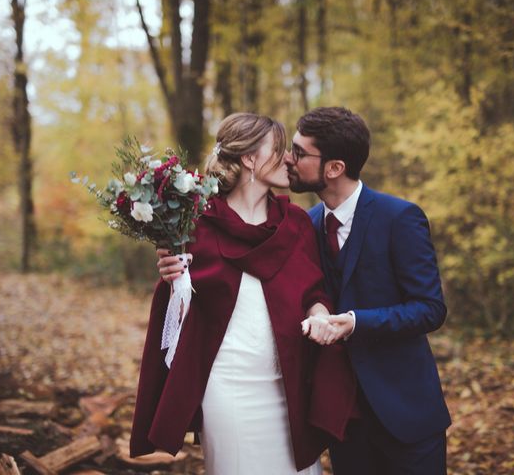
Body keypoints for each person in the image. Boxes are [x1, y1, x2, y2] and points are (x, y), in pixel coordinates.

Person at [129, 113, 356, 475]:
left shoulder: (296, 223)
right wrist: (174, 279)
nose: (289, 159)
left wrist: (318, 314)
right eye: (279, 149)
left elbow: (314, 292)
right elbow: (178, 307)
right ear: (249, 158)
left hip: (289, 383)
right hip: (228, 387)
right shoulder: (196, 222)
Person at [288, 106, 451, 475]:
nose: (288, 159)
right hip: (344, 418)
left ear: (334, 168)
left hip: (407, 413)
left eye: (299, 152)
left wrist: (355, 322)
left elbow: (430, 308)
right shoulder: (306, 225)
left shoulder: (400, 217)